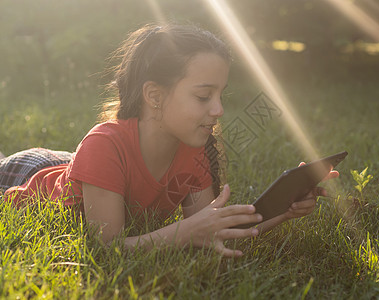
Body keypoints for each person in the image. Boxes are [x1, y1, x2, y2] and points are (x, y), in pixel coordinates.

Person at [0, 24, 338, 257]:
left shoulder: (193, 151)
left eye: (220, 95)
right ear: (154, 95)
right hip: (27, 175)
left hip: (80, 170)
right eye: (204, 96)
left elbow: (211, 230)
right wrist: (185, 232)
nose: (219, 109)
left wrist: (285, 210)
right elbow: (106, 246)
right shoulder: (104, 144)